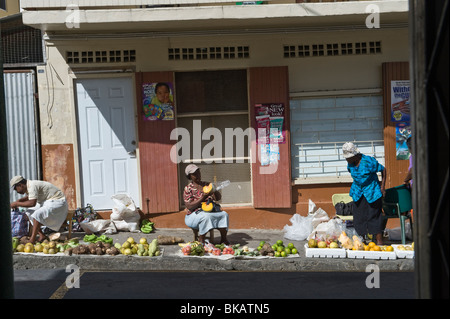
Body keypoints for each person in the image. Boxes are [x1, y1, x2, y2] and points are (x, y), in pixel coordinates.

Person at [342, 142, 386, 245]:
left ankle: (379, 241)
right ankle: (362, 241)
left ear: (355, 155)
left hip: (372, 191)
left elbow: (383, 170)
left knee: (374, 215)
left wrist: (383, 187)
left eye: (348, 157)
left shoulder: (368, 161)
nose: (347, 159)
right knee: (359, 216)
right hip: (358, 192)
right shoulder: (350, 163)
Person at [10, 176, 68, 244]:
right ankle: (41, 235)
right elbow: (31, 196)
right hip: (48, 201)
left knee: (37, 214)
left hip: (58, 201)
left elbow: (32, 203)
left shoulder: (32, 186)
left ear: (20, 185)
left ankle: (32, 239)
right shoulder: (29, 186)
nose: (16, 191)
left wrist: (17, 203)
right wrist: (19, 201)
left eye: (16, 189)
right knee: (29, 213)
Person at [183, 164, 229, 244]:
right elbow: (189, 206)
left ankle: (224, 239)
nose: (198, 175)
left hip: (209, 212)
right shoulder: (188, 188)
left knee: (224, 214)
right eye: (194, 174)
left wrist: (214, 189)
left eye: (198, 172)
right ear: (190, 176)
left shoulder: (207, 185)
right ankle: (201, 240)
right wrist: (203, 197)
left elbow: (218, 198)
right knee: (206, 216)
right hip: (193, 215)